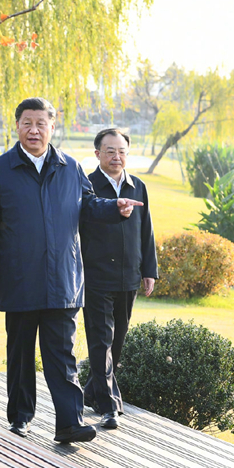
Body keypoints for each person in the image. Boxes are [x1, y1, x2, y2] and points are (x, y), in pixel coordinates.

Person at [0, 97, 142, 444]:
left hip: (64, 279)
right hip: (20, 278)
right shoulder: (0, 170)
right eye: (27, 123)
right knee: (21, 354)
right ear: (17, 126)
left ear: (52, 126)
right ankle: (21, 418)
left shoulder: (70, 167)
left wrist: (115, 207)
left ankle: (69, 423)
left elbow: (89, 205)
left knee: (63, 356)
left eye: (41, 123)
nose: (34, 130)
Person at [79, 128, 158, 429]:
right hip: (95, 277)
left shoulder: (138, 186)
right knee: (101, 341)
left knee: (117, 343)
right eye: (110, 151)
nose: (116, 156)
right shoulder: (86, 185)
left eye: (122, 151)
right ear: (97, 153)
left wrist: (149, 270)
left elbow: (146, 231)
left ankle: (90, 392)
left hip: (128, 276)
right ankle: (109, 406)